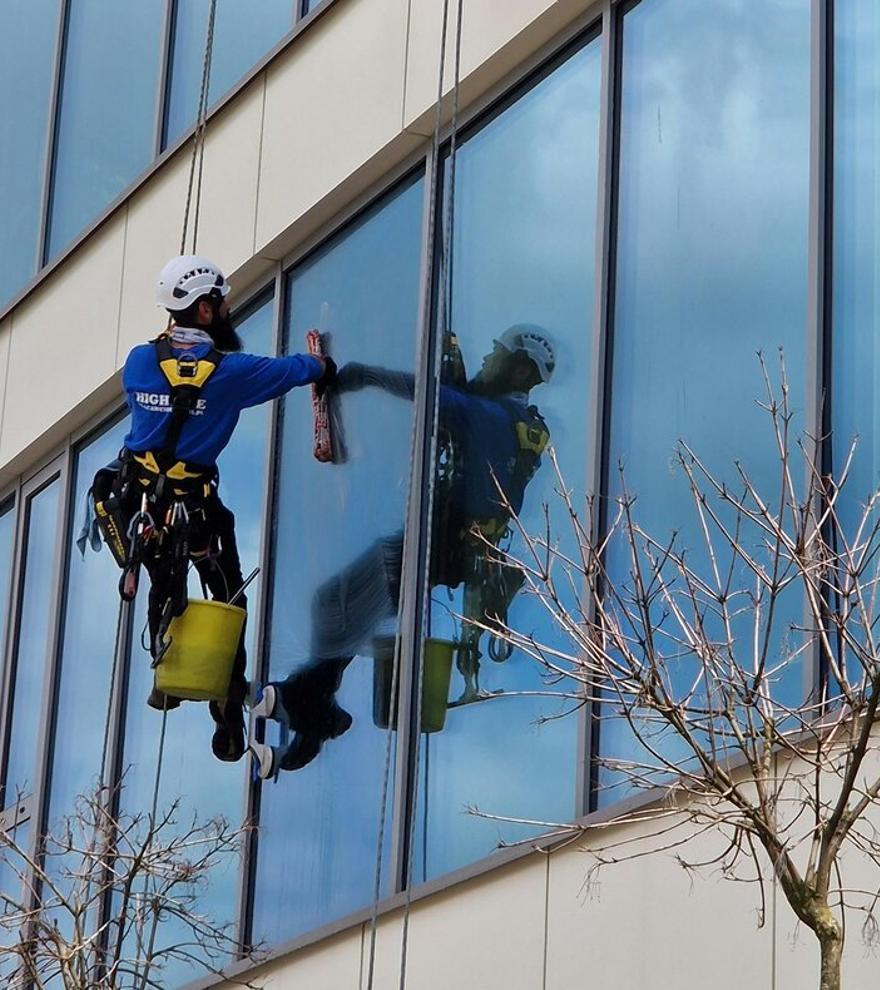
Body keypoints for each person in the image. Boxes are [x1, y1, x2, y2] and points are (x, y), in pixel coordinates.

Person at [250, 324, 554, 777]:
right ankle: (316, 713)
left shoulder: (491, 420)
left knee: (334, 604)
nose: (489, 359)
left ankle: (309, 706)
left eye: (498, 353)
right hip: (450, 548)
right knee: (349, 615)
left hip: (439, 547)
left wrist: (366, 374)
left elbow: (437, 400)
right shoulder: (514, 422)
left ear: (520, 367)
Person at [88, 254, 335, 763]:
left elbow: (157, 405)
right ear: (203, 310)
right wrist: (324, 366)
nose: (226, 313)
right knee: (228, 602)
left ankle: (171, 674)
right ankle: (227, 714)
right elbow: (291, 371)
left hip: (142, 505)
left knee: (164, 586)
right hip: (195, 509)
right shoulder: (231, 374)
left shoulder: (138, 362)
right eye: (219, 305)